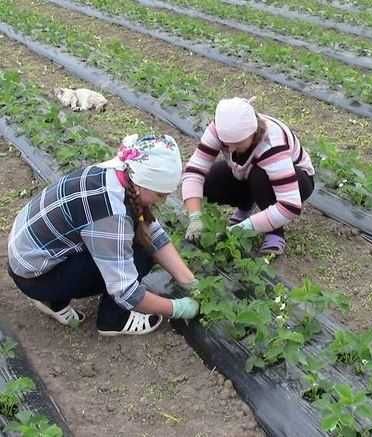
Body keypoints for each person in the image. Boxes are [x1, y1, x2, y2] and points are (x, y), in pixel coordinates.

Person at [7, 134, 200, 336]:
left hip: (29, 262)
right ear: (142, 183)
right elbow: (126, 292)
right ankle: (114, 319)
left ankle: (53, 300)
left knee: (139, 241)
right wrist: (177, 308)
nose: (164, 199)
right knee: (140, 255)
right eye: (161, 194)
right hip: (35, 277)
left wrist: (189, 281)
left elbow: (153, 233)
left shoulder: (117, 174)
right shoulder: (110, 214)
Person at [182, 97, 315, 255]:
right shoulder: (219, 128)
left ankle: (275, 232)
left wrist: (241, 229)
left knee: (260, 175)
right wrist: (195, 216)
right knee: (210, 181)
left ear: (253, 133)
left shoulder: (272, 144)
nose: (230, 149)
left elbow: (289, 206)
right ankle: (246, 206)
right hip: (245, 172)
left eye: (237, 143)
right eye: (226, 143)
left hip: (297, 181)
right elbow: (194, 170)